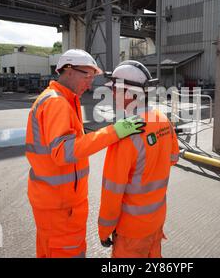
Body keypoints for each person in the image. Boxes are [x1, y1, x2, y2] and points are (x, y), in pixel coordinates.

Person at [25, 50, 146, 258]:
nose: (90, 84)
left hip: (55, 203)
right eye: (87, 76)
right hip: (61, 209)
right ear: (69, 71)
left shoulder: (63, 99)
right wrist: (113, 132)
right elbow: (64, 152)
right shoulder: (57, 103)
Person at [98, 60, 180, 258]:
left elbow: (112, 191)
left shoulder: (125, 133)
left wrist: (104, 230)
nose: (112, 95)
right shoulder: (162, 119)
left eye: (115, 90)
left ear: (128, 93)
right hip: (156, 220)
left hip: (131, 231)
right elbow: (173, 158)